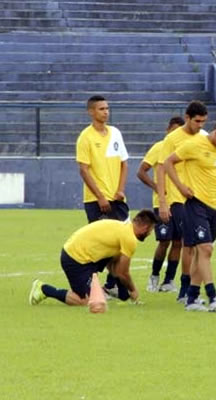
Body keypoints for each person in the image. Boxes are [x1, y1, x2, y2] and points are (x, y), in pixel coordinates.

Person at [164, 118, 216, 312]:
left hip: (211, 206)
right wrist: (181, 187)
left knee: (202, 252)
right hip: (194, 204)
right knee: (205, 249)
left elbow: (215, 176)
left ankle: (192, 298)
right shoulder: (194, 144)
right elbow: (168, 162)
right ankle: (213, 296)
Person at [28, 210, 157, 306]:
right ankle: (43, 288)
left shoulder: (122, 228)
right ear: (145, 228)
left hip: (82, 255)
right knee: (86, 301)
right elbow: (123, 273)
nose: (150, 233)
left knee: (115, 261)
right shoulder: (129, 238)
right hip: (75, 258)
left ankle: (111, 292)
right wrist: (133, 290)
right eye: (150, 230)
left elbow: (114, 266)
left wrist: (125, 295)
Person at [76, 95, 129, 294]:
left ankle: (111, 285)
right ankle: (89, 283)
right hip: (96, 200)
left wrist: (121, 189)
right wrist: (99, 196)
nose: (105, 112)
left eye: (107, 108)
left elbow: (124, 163)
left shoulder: (115, 133)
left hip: (117, 199)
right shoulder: (85, 137)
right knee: (102, 246)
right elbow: (84, 169)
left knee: (120, 245)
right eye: (101, 109)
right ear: (91, 112)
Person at [156, 101, 208, 303]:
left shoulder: (204, 138)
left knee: (199, 245)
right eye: (197, 121)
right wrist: (162, 201)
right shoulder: (173, 139)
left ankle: (188, 289)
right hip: (179, 199)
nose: (200, 125)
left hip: (202, 198)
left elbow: (209, 168)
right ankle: (186, 290)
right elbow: (161, 168)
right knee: (190, 243)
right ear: (187, 118)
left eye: (204, 121)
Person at [137, 116, 185, 292]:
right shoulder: (159, 148)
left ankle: (169, 281)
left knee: (178, 241)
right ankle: (154, 276)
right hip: (162, 202)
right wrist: (156, 186)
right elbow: (141, 171)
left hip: (181, 202)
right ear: (167, 131)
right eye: (173, 131)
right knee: (164, 241)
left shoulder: (184, 150)